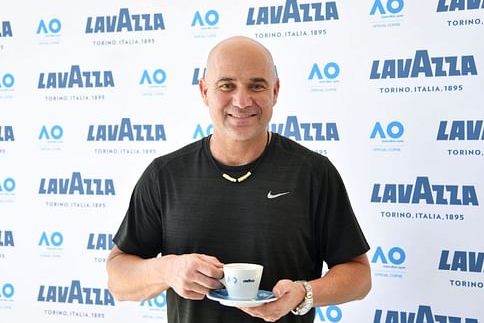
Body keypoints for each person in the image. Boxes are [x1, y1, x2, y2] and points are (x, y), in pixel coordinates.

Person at [106, 36, 371, 323]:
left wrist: (304, 293)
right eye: (226, 85)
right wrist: (166, 270)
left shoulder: (313, 173)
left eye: (256, 85)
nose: (242, 101)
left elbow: (359, 276)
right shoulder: (165, 175)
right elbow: (118, 280)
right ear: (204, 91)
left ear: (275, 91)